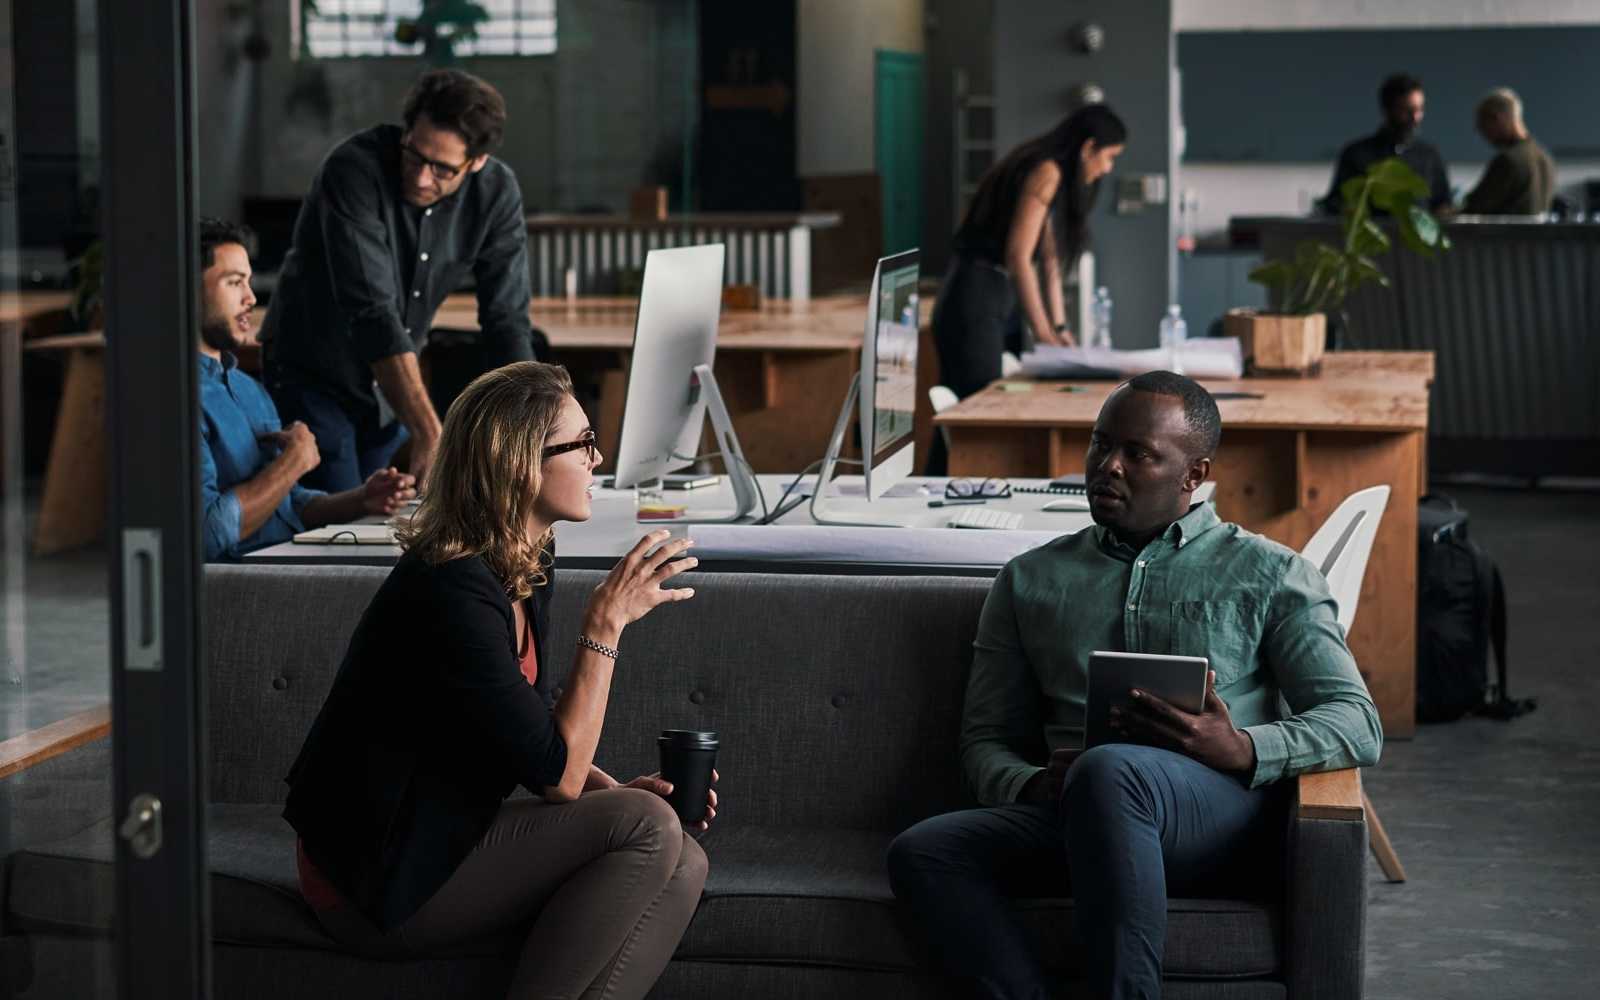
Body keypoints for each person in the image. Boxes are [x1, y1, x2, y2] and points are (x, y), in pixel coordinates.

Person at [887, 371, 1383, 1000]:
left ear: (1194, 475)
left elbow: (1356, 720)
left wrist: (1242, 747)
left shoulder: (1270, 572)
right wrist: (1032, 783)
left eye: (1138, 454)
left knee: (1111, 770)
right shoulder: (1029, 578)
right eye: (1100, 444)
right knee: (924, 850)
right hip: (1076, 813)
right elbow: (984, 739)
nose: (1107, 466)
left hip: (1217, 818)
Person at [283, 361, 715, 999]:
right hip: (372, 871)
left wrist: (614, 793)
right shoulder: (450, 588)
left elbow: (528, 733)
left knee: (684, 858)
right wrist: (606, 623)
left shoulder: (525, 558)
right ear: (520, 464)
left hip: (442, 829)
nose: (597, 459)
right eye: (583, 443)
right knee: (648, 827)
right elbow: (558, 778)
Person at [260, 68, 538, 494]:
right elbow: (372, 311)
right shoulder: (353, 169)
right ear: (407, 132)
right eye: (415, 155)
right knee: (335, 516)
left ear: (477, 162)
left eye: (442, 169)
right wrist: (429, 430)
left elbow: (507, 320)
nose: (422, 178)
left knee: (378, 516)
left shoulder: (496, 193)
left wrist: (533, 426)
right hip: (312, 375)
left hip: (387, 391)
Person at [197, 218, 416, 563]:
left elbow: (290, 504)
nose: (250, 298)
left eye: (249, 282)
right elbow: (206, 535)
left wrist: (362, 500)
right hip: (242, 580)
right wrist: (293, 462)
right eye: (235, 282)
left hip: (288, 559)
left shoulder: (249, 389)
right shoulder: (176, 400)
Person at [926, 104, 1126, 475]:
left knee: (974, 411)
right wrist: (1044, 335)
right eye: (1109, 156)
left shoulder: (1052, 173)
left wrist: (1060, 329)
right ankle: (938, 490)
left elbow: (1048, 260)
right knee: (971, 413)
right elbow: (1019, 257)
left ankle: (942, 489)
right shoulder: (1046, 171)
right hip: (975, 294)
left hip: (995, 294)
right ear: (1088, 148)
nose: (1108, 168)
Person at [1322, 73, 1451, 215]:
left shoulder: (1429, 155)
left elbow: (1442, 203)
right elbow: (1336, 203)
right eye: (1407, 110)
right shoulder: (1356, 154)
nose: (1415, 118)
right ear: (1387, 109)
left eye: (1419, 109)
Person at [1462, 88, 1555, 216]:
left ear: (1496, 118)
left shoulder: (1508, 160)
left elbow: (1476, 207)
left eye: (1483, 127)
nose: (1484, 135)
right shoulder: (1544, 157)